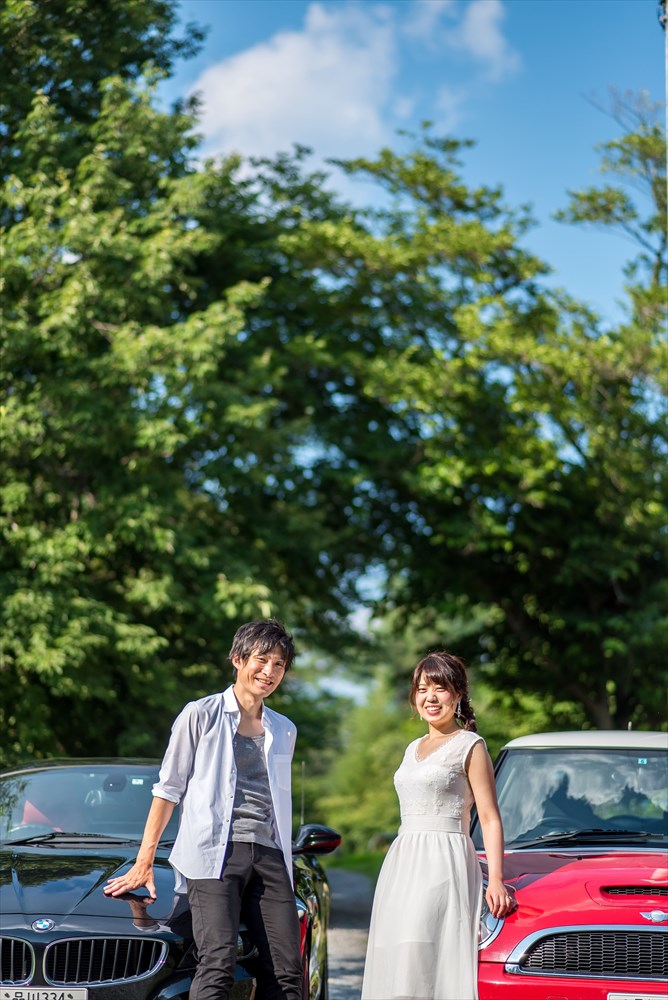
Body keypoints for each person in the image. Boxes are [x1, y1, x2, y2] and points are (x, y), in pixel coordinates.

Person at [104, 618, 302, 1000]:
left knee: (287, 970)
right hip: (214, 853)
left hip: (269, 854)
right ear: (237, 659)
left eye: (279, 664)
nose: (269, 671)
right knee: (217, 962)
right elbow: (168, 790)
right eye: (262, 660)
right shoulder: (200, 714)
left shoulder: (284, 728)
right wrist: (144, 862)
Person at [361, 650, 515, 1000]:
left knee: (425, 953)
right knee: (397, 953)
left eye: (439, 688)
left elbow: (489, 817)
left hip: (444, 860)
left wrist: (496, 879)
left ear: (458, 694)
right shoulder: (411, 748)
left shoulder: (470, 745)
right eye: (421, 689)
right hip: (403, 862)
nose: (429, 697)